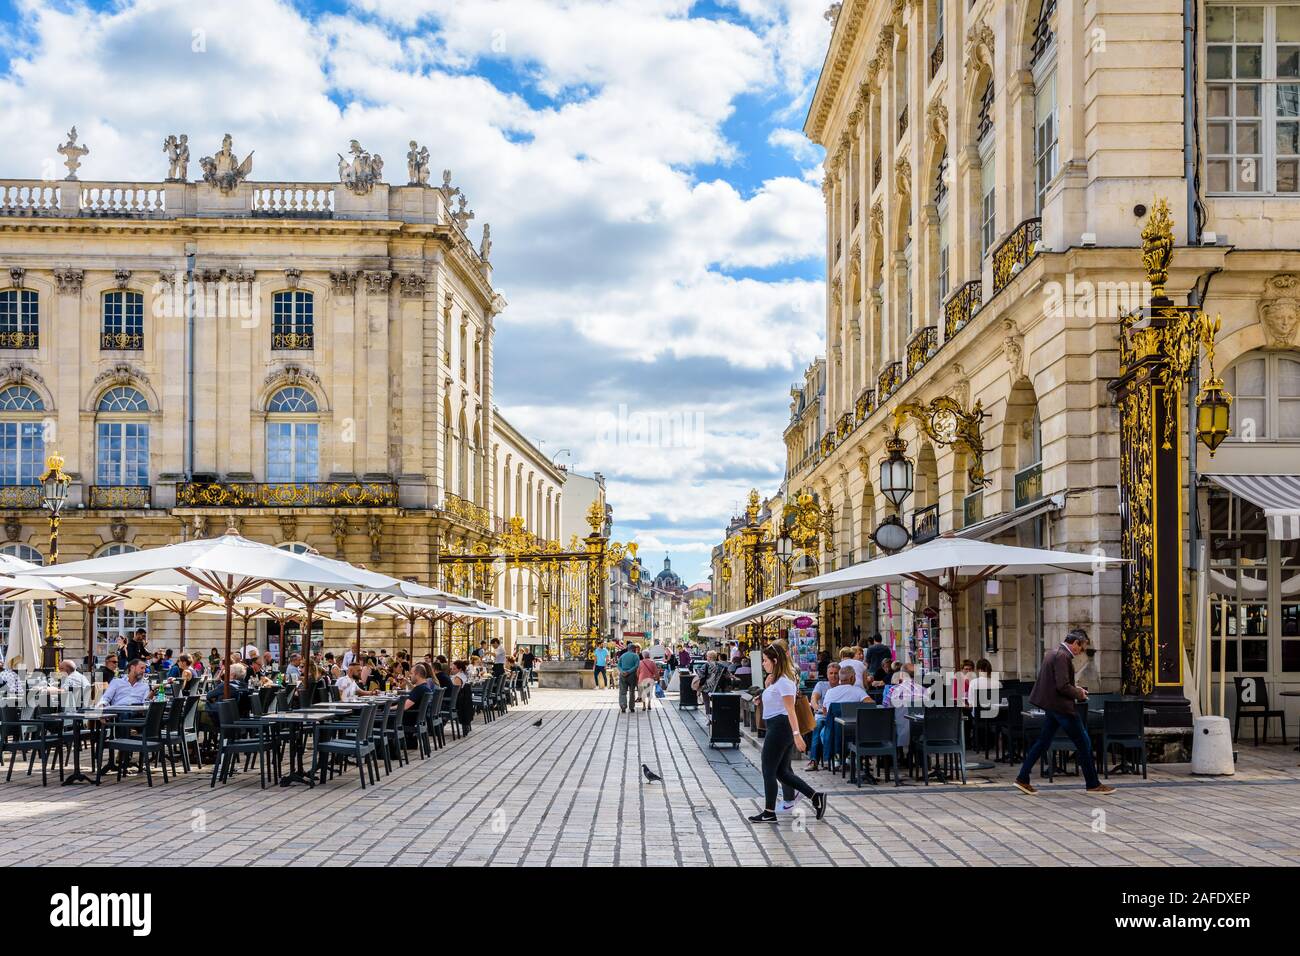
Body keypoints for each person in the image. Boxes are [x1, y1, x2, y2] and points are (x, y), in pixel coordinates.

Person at [1015, 629, 1116, 796]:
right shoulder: (1062, 657)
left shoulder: (1053, 653)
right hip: (1061, 708)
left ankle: (1022, 778)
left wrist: (1075, 688)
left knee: (1042, 742)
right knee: (1084, 743)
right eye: (1082, 648)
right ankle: (1093, 784)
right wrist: (1079, 693)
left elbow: (1058, 683)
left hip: (1052, 706)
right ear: (1075, 643)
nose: (1080, 652)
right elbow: (1062, 686)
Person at [748, 643, 825, 824]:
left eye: (766, 661)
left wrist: (797, 734)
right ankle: (816, 797)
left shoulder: (784, 682)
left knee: (768, 770)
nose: (763, 664)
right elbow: (777, 702)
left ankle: (769, 811)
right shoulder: (778, 680)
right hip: (778, 726)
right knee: (782, 772)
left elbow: (790, 710)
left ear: (775, 661)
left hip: (780, 728)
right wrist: (762, 697)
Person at [805, 662, 840, 770]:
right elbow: (814, 698)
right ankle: (814, 760)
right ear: (827, 674)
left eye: (836, 673)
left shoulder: (842, 686)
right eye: (831, 673)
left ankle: (830, 759)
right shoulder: (821, 685)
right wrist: (816, 707)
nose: (833, 675)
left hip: (836, 718)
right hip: (822, 715)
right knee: (817, 726)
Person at [450, 659, 475, 736]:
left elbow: (455, 693)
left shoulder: (457, 677)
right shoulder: (463, 675)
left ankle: (436, 729)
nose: (452, 670)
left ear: (460, 669)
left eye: (454, 669)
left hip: (458, 702)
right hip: (464, 701)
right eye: (452, 668)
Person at [616, 643, 641, 713]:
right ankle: (631, 707)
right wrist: (629, 672)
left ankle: (623, 706)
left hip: (623, 675)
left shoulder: (623, 655)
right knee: (632, 691)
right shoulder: (636, 656)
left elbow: (618, 665)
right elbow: (636, 666)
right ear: (634, 649)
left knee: (622, 691)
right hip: (632, 675)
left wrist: (622, 671)